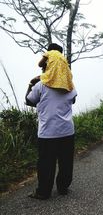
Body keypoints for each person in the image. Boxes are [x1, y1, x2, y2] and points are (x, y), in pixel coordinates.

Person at [26, 43, 77, 200]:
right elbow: (73, 100)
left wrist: (31, 83)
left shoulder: (41, 85)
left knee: (46, 163)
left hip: (48, 132)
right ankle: (63, 188)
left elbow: (29, 101)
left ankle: (43, 192)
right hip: (67, 130)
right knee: (66, 162)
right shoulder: (70, 85)